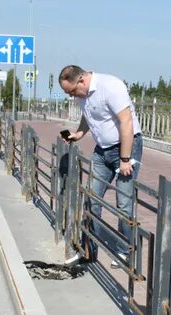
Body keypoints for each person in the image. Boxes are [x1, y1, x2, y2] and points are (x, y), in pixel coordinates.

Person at [58, 65, 143, 267]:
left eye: (70, 91)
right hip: (102, 150)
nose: (71, 96)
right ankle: (89, 249)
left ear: (81, 81)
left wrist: (124, 159)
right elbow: (88, 115)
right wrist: (78, 134)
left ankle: (126, 251)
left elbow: (126, 122)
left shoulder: (111, 86)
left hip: (125, 148)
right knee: (92, 199)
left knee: (123, 202)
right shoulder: (83, 94)